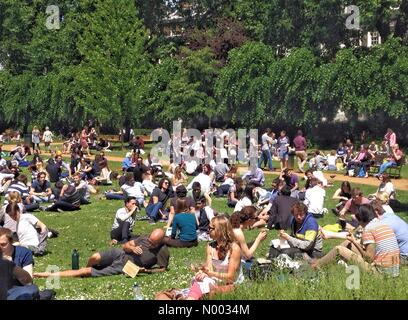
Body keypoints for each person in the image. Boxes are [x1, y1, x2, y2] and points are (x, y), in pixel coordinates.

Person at [34, 229, 170, 278]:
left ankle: (44, 274)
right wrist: (131, 248)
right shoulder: (145, 238)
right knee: (95, 257)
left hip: (127, 267)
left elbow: (163, 269)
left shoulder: (163, 251)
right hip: (120, 254)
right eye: (150, 240)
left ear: (160, 242)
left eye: (153, 243)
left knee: (85, 271)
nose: (149, 243)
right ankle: (90, 268)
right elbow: (125, 245)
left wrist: (145, 271)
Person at [311, 204, 400, 277]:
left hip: (380, 273)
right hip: (393, 271)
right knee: (348, 243)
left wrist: (355, 242)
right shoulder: (383, 224)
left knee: (339, 249)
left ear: (361, 219)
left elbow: (369, 257)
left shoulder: (369, 229)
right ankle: (328, 262)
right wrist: (354, 242)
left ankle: (315, 266)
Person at [186, 215, 243, 300]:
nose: (208, 230)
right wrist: (203, 272)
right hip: (216, 280)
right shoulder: (210, 246)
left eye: (211, 228)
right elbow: (209, 269)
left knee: (204, 287)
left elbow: (231, 277)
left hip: (231, 284)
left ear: (220, 231)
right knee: (199, 279)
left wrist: (209, 274)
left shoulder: (234, 248)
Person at [371, 200, 408, 265]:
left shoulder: (383, 223)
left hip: (404, 257)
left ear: (376, 211)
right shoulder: (390, 215)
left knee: (372, 256)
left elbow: (380, 245)